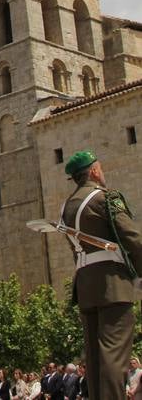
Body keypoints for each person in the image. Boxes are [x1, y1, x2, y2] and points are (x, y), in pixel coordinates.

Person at [61, 150, 142, 400]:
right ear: (95, 171)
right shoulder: (105, 198)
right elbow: (132, 238)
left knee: (95, 359)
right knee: (114, 357)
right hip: (113, 286)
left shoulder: (67, 207)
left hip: (85, 288)